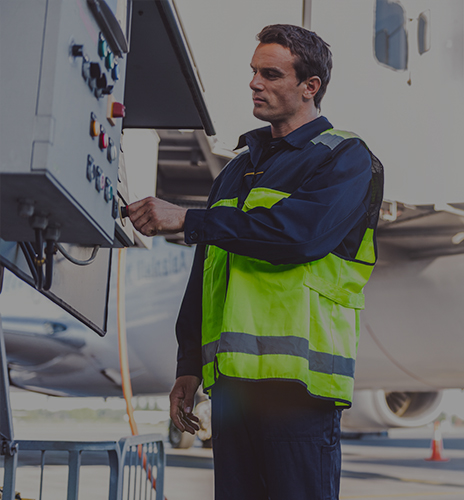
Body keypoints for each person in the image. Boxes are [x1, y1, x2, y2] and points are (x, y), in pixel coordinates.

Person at [128, 24, 383, 500]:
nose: (254, 83)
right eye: (253, 72)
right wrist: (188, 367)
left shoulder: (345, 158)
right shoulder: (234, 172)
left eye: (271, 74)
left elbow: (299, 236)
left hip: (298, 389)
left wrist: (186, 217)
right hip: (232, 390)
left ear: (311, 87)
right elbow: (207, 274)